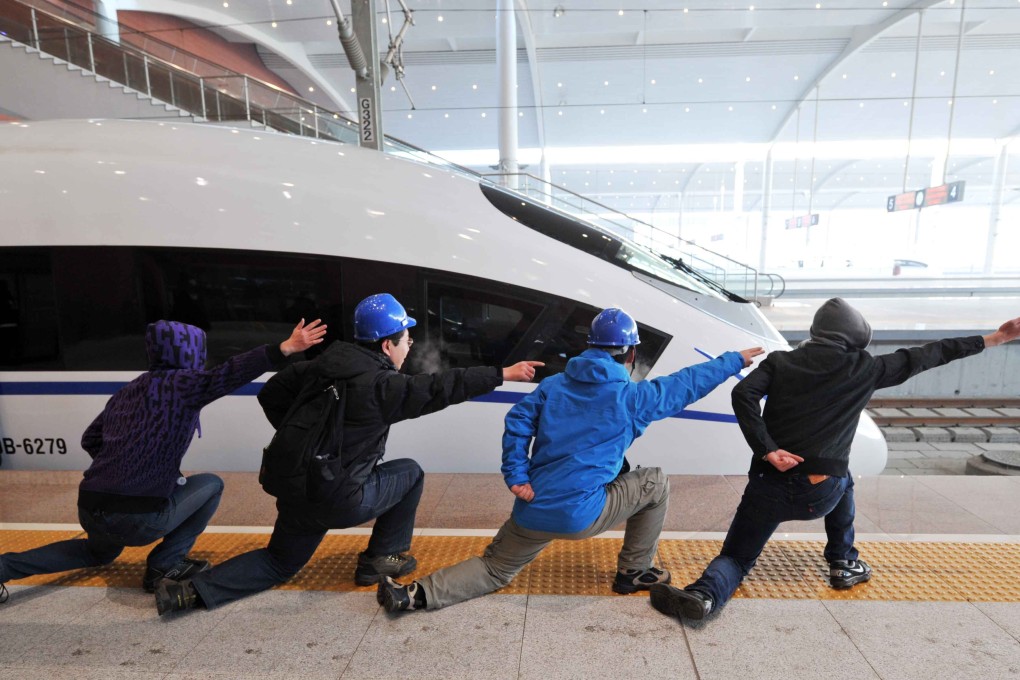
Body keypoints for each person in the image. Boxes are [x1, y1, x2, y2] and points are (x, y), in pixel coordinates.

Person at [155, 293, 543, 615]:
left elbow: (270, 395)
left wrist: (308, 441)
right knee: (410, 473)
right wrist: (501, 374)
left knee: (278, 561)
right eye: (406, 340)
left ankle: (187, 594)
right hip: (340, 497)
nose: (409, 349)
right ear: (386, 343)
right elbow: (440, 387)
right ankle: (381, 560)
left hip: (297, 487)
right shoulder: (382, 386)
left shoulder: (319, 366)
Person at [649, 298, 1020, 623]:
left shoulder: (780, 362)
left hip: (768, 487)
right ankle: (844, 562)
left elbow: (743, 394)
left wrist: (767, 449)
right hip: (822, 490)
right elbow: (931, 354)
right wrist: (996, 338)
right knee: (843, 476)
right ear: (857, 337)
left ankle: (704, 595)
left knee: (736, 557)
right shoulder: (866, 368)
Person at [376, 307, 763, 613]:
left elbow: (516, 422)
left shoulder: (553, 385)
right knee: (655, 481)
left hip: (533, 504)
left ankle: (414, 595)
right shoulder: (631, 398)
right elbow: (685, 384)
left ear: (590, 348)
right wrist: (732, 360)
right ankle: (634, 571)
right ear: (629, 353)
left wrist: (516, 475)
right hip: (582, 514)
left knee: (494, 568)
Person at [0, 318, 326, 605]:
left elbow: (90, 439)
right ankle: (164, 565)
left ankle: (4, 567)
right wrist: (282, 349)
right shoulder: (183, 385)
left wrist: (123, 469)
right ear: (190, 352)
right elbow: (227, 374)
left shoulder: (128, 391)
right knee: (211, 484)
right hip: (139, 518)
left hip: (91, 507)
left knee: (95, 552)